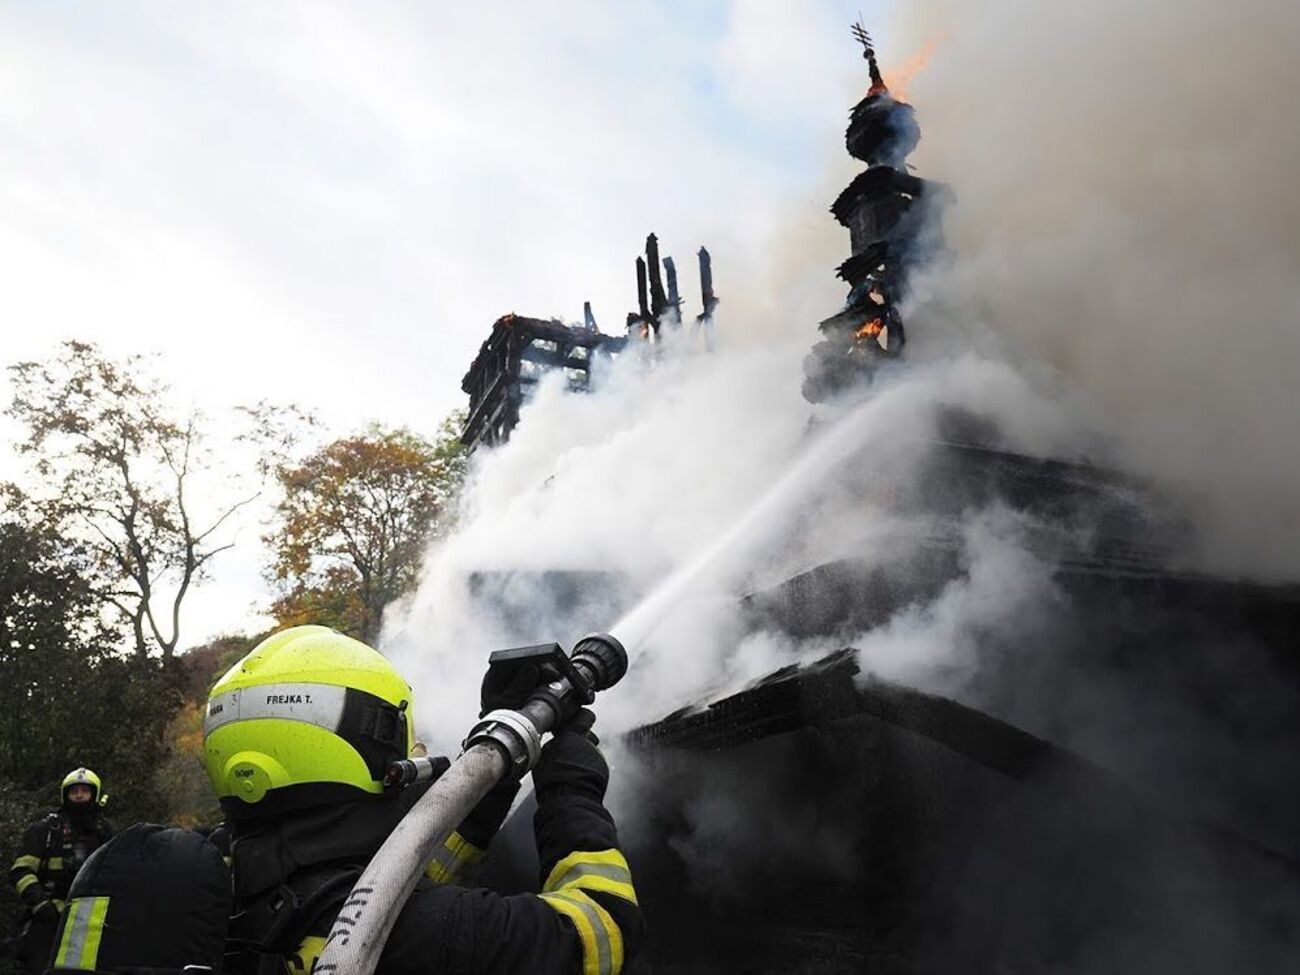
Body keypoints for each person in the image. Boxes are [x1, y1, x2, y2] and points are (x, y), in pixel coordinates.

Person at [203, 625, 644, 974]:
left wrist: (497, 778)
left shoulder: (223, 891)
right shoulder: (432, 935)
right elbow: (600, 933)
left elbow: (401, 874)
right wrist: (571, 789)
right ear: (367, 744)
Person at [8, 768, 114, 975]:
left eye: (85, 791)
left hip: (90, 924)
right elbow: (21, 871)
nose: (80, 795)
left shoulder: (105, 832)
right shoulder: (45, 831)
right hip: (47, 919)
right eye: (74, 791)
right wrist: (41, 906)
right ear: (65, 795)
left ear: (96, 794)